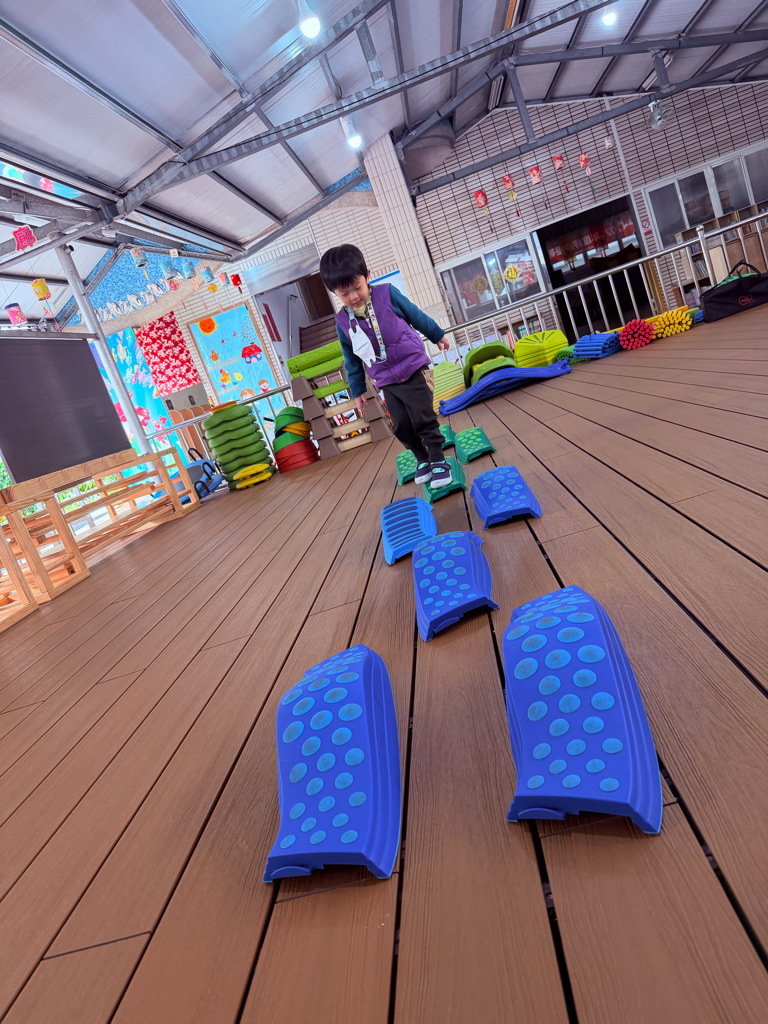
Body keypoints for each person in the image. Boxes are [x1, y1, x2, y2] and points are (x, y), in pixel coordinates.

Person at [319, 244, 453, 487]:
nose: (353, 297)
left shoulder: (387, 294)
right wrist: (358, 390)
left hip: (413, 367)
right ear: (334, 293)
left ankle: (438, 460)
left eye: (357, 288)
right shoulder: (342, 322)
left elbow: (415, 315)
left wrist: (436, 334)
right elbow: (351, 358)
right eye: (345, 294)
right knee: (401, 425)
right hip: (386, 379)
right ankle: (422, 458)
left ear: (367, 275)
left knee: (423, 418)